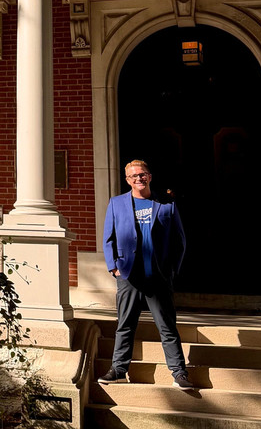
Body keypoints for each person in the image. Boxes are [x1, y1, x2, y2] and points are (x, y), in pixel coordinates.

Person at [99, 159, 197, 391]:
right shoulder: (116, 203)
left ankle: (179, 373)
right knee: (125, 325)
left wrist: (172, 269)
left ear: (150, 176)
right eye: (133, 176)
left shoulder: (166, 203)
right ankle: (119, 370)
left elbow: (179, 240)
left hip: (159, 276)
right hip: (128, 275)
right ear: (127, 180)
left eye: (142, 175)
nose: (138, 179)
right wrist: (114, 267)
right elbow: (108, 238)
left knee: (167, 326)